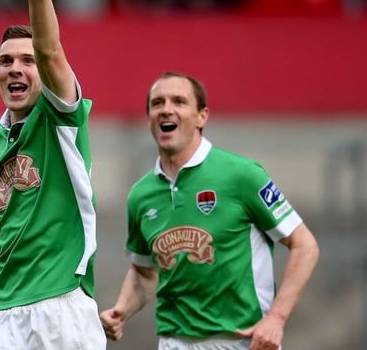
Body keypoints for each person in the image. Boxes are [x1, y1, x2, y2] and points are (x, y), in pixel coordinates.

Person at [100, 71, 320, 350]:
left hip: (239, 341)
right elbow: (145, 273)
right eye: (157, 103)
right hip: (172, 342)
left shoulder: (241, 175)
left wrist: (276, 318)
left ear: (202, 116)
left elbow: (305, 246)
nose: (167, 109)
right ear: (149, 120)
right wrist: (121, 310)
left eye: (179, 101)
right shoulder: (141, 195)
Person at [0, 0, 106, 350]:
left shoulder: (60, 116)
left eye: (26, 61)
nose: (16, 68)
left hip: (60, 306)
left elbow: (50, 48)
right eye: (6, 60)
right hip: (3, 306)